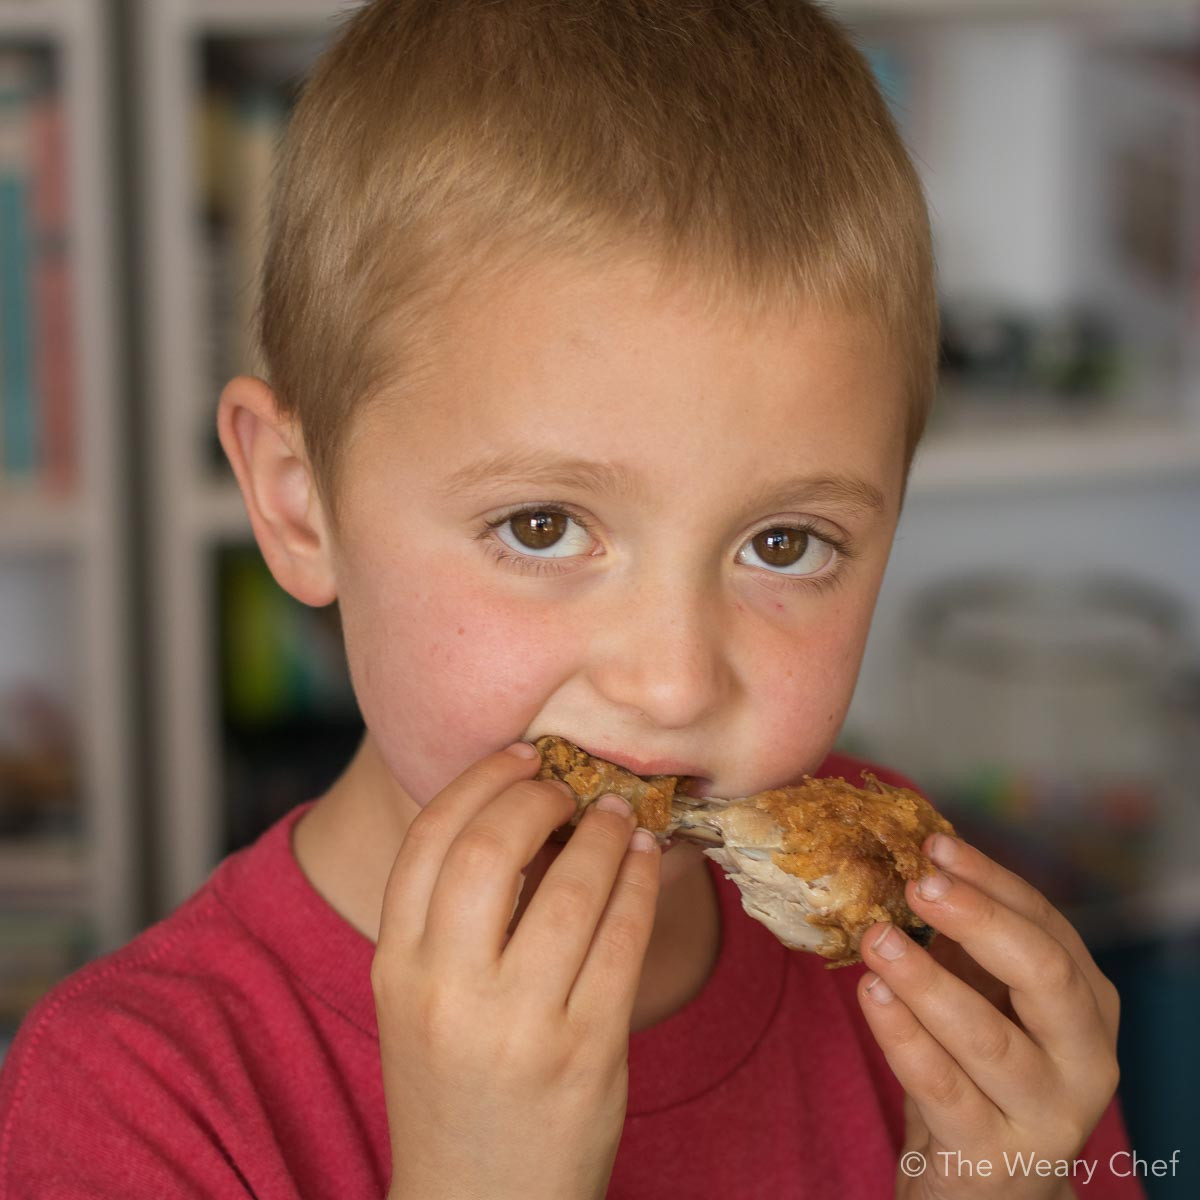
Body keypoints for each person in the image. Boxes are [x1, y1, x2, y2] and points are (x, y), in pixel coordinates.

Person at [0, 2, 1145, 1197]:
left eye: (785, 542)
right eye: (542, 527)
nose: (674, 681)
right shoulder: (136, 1102)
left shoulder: (930, 967)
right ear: (299, 504)